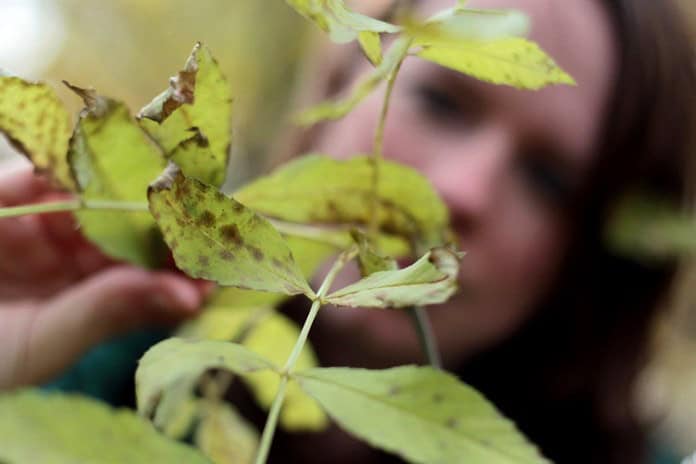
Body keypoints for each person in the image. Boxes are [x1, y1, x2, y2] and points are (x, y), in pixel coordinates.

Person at [0, 0, 694, 462]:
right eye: (443, 101)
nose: (463, 191)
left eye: (550, 181)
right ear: (333, 86)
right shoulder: (99, 352)